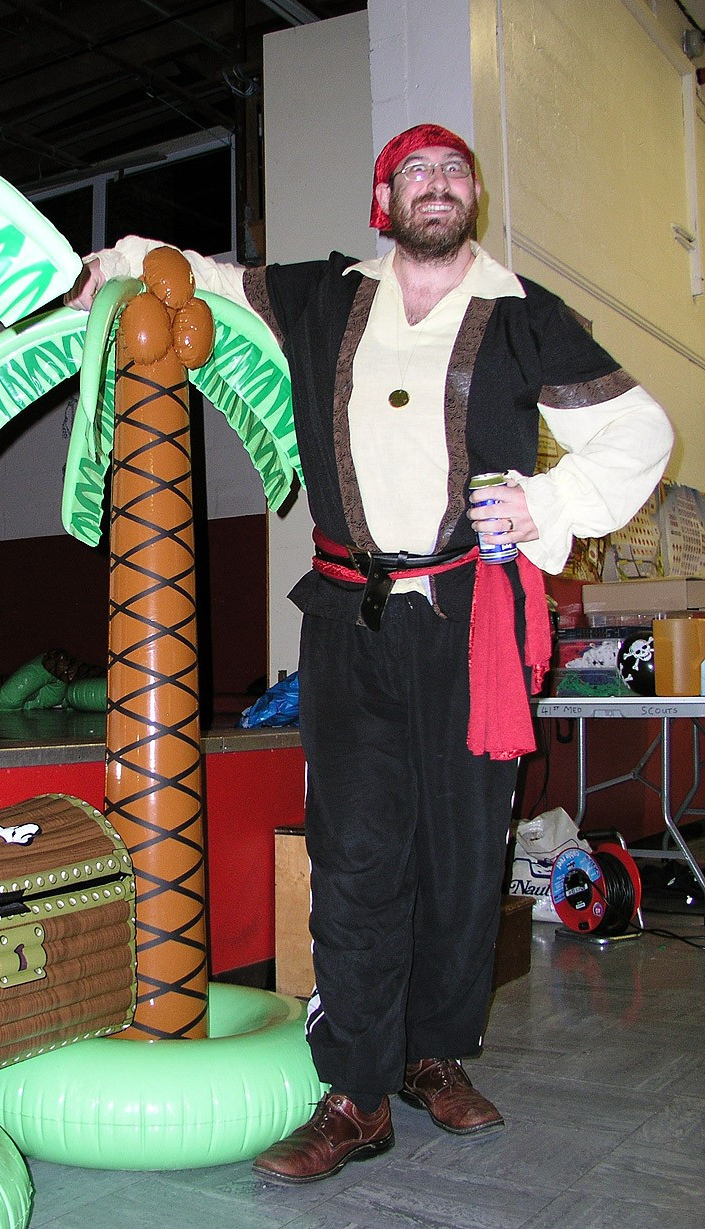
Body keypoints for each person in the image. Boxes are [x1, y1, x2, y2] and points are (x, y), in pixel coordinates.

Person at [66, 123, 673, 1184]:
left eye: (454, 171)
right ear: (382, 203)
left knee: (461, 849)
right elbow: (202, 274)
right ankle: (355, 1091)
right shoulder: (323, 295)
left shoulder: (522, 313)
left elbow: (641, 431)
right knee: (353, 851)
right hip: (348, 617)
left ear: (472, 196)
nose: (438, 185)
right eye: (414, 173)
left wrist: (548, 501)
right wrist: (107, 266)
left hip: (467, 620)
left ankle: (432, 1052)